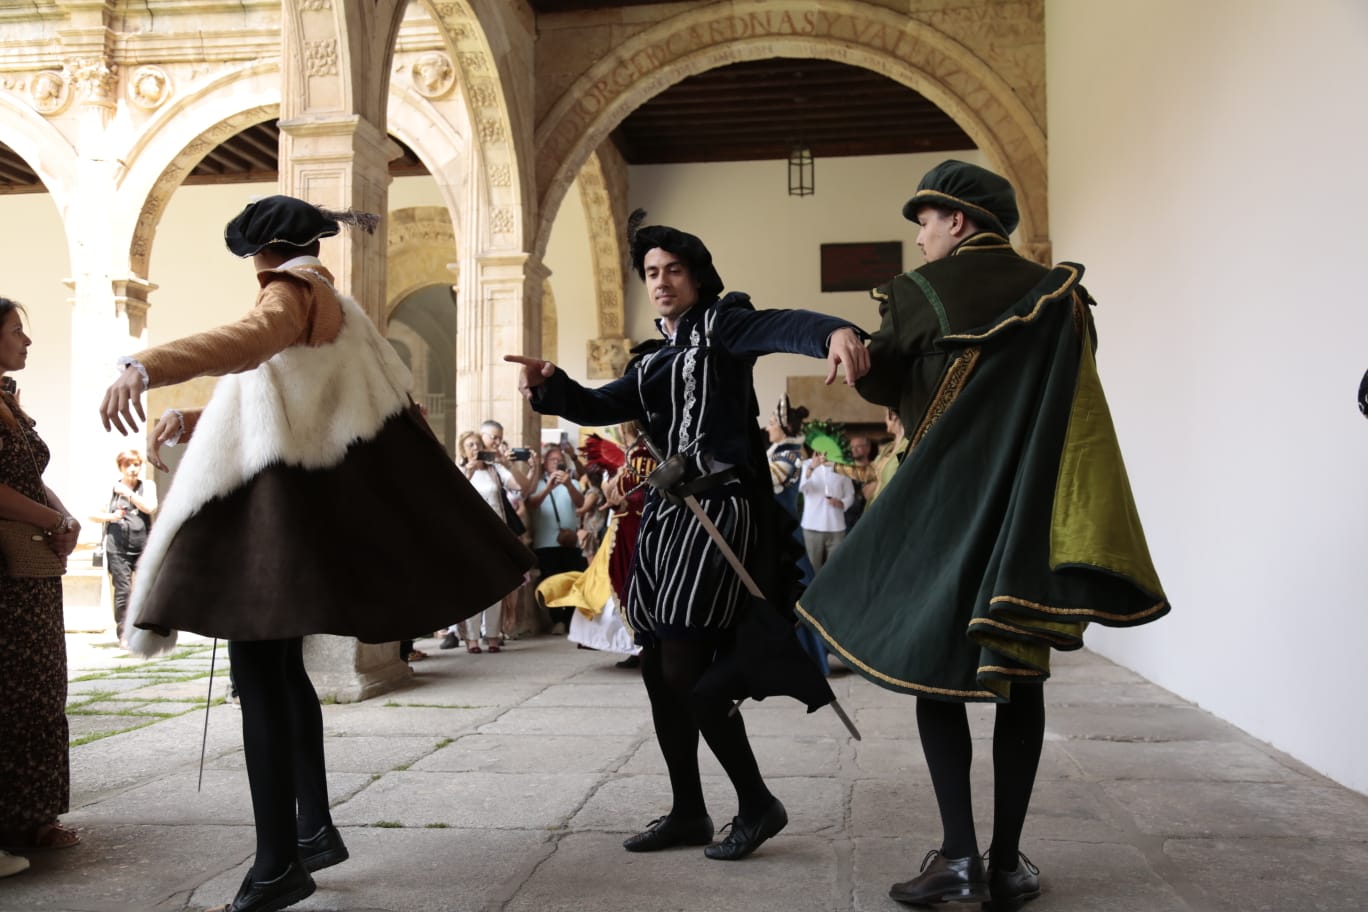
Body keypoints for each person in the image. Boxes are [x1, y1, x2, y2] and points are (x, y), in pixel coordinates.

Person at [98, 196, 534, 912]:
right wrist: (198, 414)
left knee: (261, 683)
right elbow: (286, 398)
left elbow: (248, 340)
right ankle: (315, 830)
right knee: (279, 674)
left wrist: (143, 365)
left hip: (279, 518)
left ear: (261, 253)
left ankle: (277, 865)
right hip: (295, 515)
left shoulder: (290, 294)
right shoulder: (335, 306)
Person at [796, 161, 1170, 910]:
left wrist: (855, 353)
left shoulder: (915, 295)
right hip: (1025, 519)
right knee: (1017, 677)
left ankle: (958, 856)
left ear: (958, 221)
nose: (921, 238)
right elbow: (1074, 418)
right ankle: (1005, 864)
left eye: (925, 222)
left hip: (942, 515)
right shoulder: (1063, 299)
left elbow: (889, 384)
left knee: (936, 677)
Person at [507, 214, 868, 861]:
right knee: (655, 663)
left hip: (722, 510)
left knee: (683, 663)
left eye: (673, 270)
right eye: (651, 273)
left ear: (695, 277)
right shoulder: (653, 364)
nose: (661, 281)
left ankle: (756, 802)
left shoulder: (723, 325)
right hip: (670, 516)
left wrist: (834, 332)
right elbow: (596, 405)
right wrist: (549, 385)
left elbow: (783, 324)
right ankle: (687, 810)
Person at [0, 298, 82, 860]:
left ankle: (37, 815)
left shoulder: (10, 402)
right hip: (5, 571)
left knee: (42, 686)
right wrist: (52, 519)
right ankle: (14, 820)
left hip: (31, 569)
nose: (27, 342)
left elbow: (31, 475)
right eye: (15, 332)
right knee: (14, 691)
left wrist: (65, 516)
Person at [446, 429, 527, 653]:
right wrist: (468, 473)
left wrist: (507, 463)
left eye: (477, 444)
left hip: (495, 534)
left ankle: (492, 634)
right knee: (474, 587)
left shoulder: (494, 469)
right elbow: (451, 498)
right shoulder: (460, 471)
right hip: (470, 536)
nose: (475, 449)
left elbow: (520, 488)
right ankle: (471, 638)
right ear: (463, 450)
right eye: (470, 445)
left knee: (497, 586)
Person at [89, 448, 158, 642]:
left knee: (146, 587)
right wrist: (111, 516)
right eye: (128, 465)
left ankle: (146, 632)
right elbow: (92, 514)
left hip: (143, 545)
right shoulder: (111, 489)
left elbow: (150, 507)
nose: (133, 469)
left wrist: (128, 493)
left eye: (136, 465)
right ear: (120, 467)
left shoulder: (147, 486)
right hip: (117, 547)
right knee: (123, 590)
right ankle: (125, 634)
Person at [527, 443, 585, 634]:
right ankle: (557, 620)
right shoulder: (538, 484)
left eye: (560, 460)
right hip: (546, 543)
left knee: (571, 582)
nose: (557, 463)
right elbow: (532, 504)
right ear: (544, 463)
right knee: (550, 582)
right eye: (553, 460)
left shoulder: (573, 483)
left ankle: (568, 620)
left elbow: (580, 503)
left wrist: (568, 484)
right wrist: (549, 488)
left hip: (569, 542)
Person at [798, 450, 854, 573]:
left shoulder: (841, 466)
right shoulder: (808, 464)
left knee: (835, 568)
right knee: (814, 568)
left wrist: (842, 503)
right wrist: (812, 467)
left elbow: (850, 494)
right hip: (812, 526)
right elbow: (803, 487)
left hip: (836, 527)